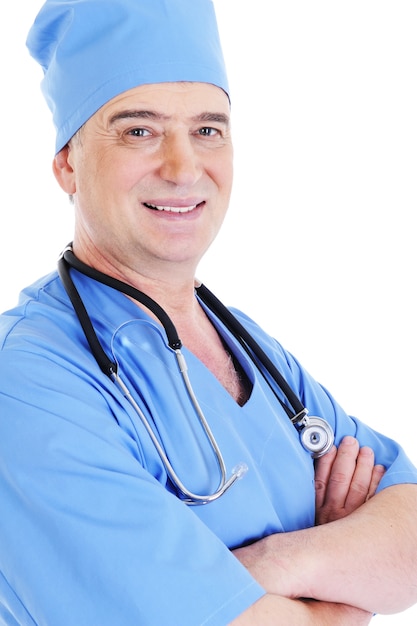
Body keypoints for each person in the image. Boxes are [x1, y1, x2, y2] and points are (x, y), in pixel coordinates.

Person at [0, 0, 416, 624]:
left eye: (207, 129)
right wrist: (339, 595)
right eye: (138, 130)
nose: (183, 166)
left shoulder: (250, 348)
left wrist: (267, 567)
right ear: (67, 163)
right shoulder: (29, 382)